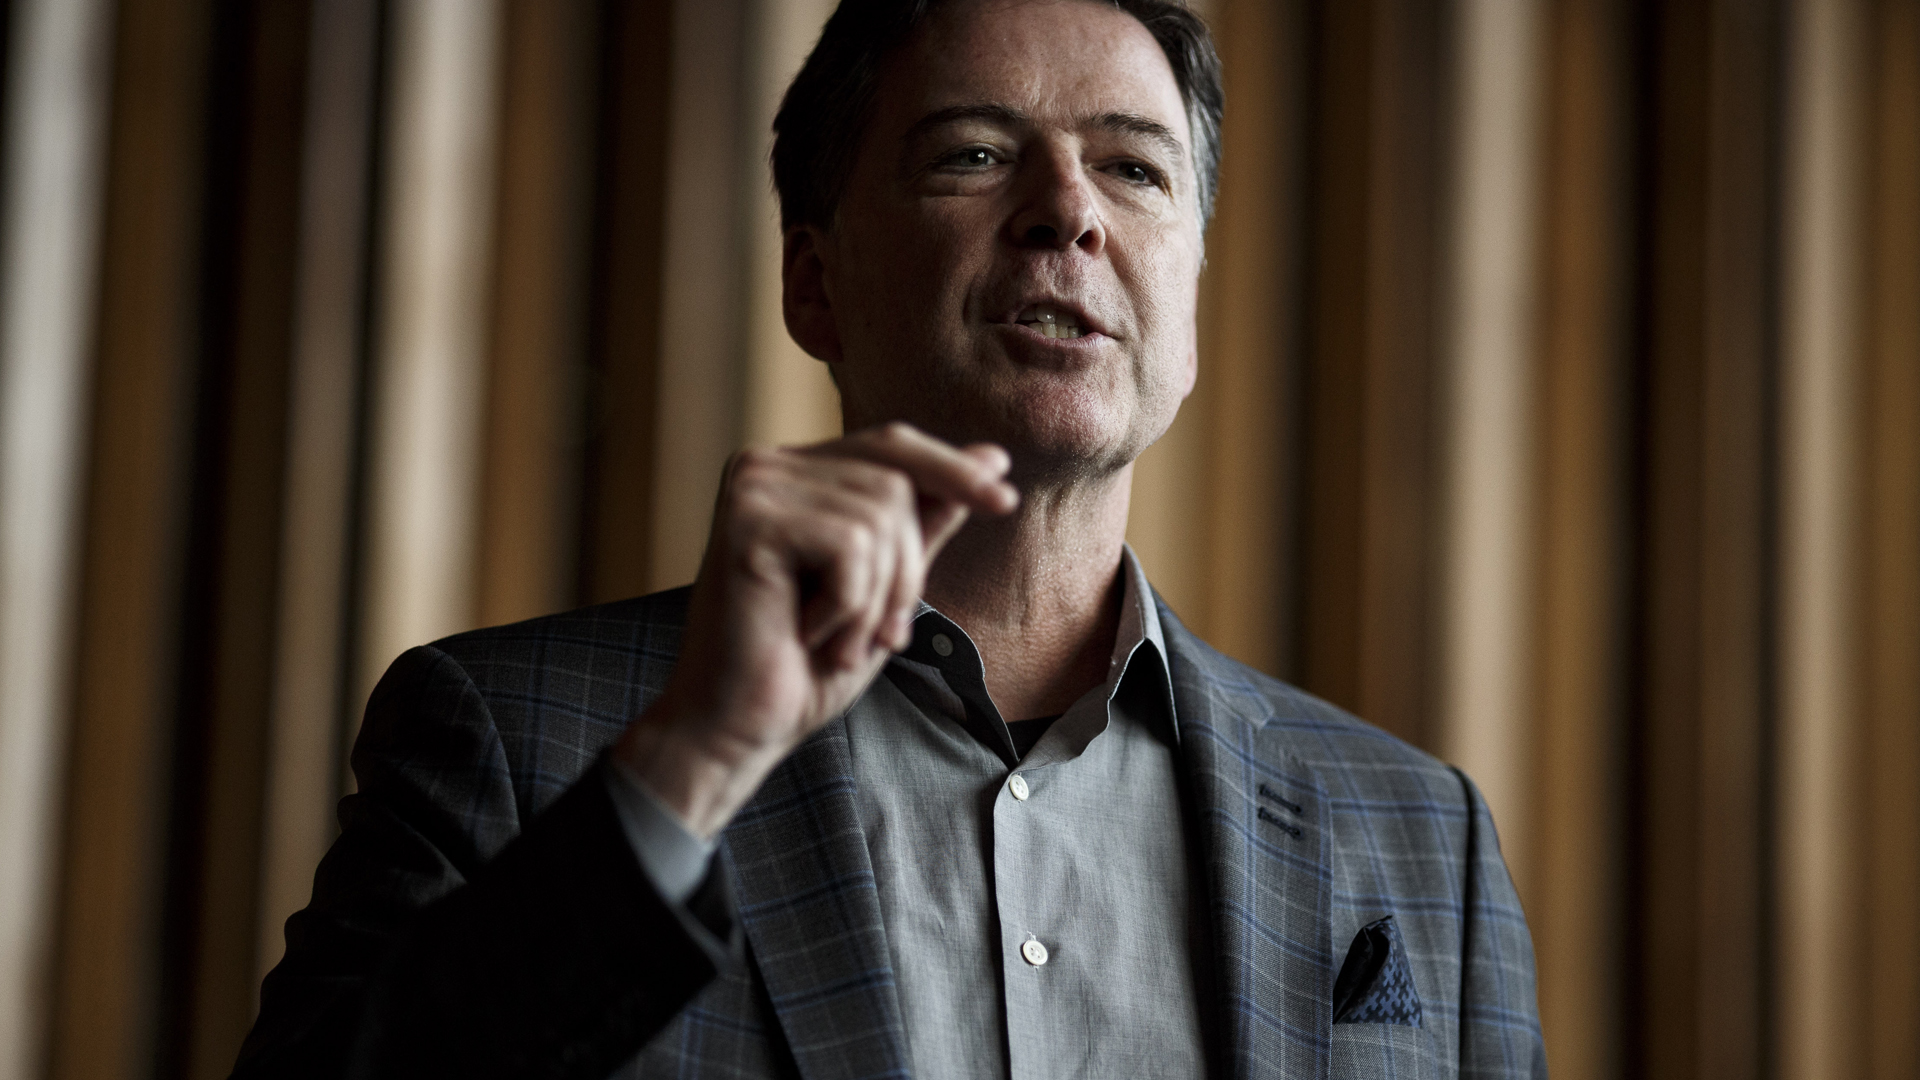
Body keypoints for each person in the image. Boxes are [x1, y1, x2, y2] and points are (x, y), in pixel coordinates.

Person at [235, 0, 1546, 1077]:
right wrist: (691, 765)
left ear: (1190, 294)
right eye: (974, 153)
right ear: (815, 281)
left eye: (1134, 167)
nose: (1067, 212)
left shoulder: (1423, 837)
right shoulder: (511, 741)